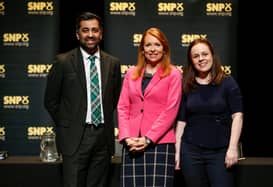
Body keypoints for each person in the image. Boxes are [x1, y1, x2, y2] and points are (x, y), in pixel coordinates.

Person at [44, 12, 121, 187]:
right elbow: (50, 100)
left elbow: (114, 99)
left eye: (94, 30)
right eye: (85, 30)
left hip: (103, 136)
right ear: (77, 34)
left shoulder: (113, 63)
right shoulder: (63, 62)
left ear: (101, 34)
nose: (90, 34)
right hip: (75, 138)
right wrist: (69, 124)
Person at [117, 27, 182, 187]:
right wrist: (126, 137)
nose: (153, 49)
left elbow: (171, 110)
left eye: (157, 45)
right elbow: (123, 106)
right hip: (132, 144)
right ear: (142, 49)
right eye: (148, 45)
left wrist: (148, 139)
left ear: (164, 48)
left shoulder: (173, 74)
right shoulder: (131, 73)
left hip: (159, 144)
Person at [175, 38, 243, 187]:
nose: (201, 59)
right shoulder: (186, 84)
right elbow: (181, 121)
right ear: (191, 60)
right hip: (190, 152)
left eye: (204, 54)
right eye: (196, 56)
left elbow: (238, 116)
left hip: (220, 152)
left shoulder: (227, 82)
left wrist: (233, 148)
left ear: (212, 55)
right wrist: (177, 152)